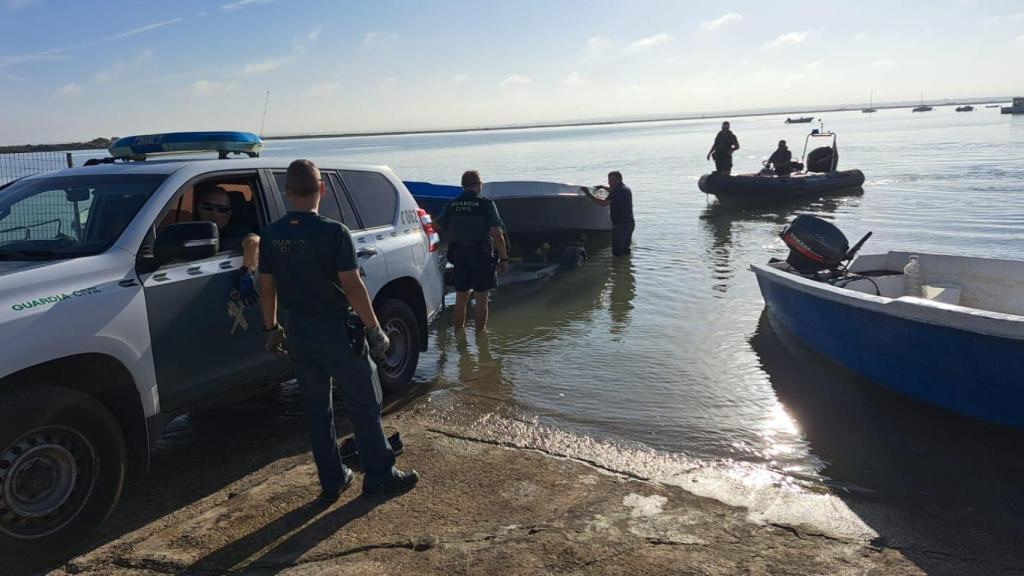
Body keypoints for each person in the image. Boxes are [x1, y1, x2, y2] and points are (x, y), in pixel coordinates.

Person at [258, 159, 418, 502]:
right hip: (335, 331)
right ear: (323, 190)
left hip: (297, 331)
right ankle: (380, 475)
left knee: (317, 411)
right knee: (365, 401)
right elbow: (353, 286)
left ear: (287, 193)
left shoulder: (272, 234)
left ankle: (332, 480)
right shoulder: (334, 232)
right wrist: (375, 329)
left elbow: (266, 286)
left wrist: (271, 328)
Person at [435, 170, 509, 331]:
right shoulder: (486, 204)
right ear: (477, 184)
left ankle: (459, 334)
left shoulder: (452, 204)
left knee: (461, 298)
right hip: (481, 255)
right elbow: (497, 234)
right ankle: (480, 336)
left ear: (463, 186)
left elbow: (436, 226)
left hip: (460, 255)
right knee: (482, 299)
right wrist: (503, 259)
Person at [195, 184, 261, 306]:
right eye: (208, 207)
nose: (214, 213)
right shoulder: (187, 231)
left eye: (222, 209)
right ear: (198, 207)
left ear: (229, 213)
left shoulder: (236, 231)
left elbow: (255, 241)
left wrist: (247, 273)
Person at [583, 171, 635, 257]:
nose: (609, 182)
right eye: (609, 180)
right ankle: (627, 267)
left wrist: (588, 194)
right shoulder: (625, 188)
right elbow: (612, 190)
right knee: (626, 250)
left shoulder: (616, 191)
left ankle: (617, 268)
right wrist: (603, 187)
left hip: (620, 226)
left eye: (611, 180)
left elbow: (603, 204)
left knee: (617, 252)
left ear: (617, 180)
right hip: (630, 223)